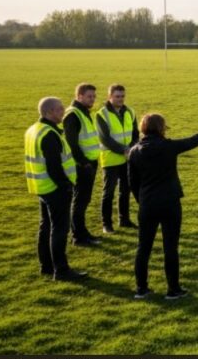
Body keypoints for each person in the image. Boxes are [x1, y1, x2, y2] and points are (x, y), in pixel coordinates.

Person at [128, 114, 198, 300]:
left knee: (143, 247)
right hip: (170, 202)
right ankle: (173, 290)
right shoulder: (169, 147)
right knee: (170, 247)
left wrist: (141, 200)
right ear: (161, 128)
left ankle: (141, 289)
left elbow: (132, 182)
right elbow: (193, 141)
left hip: (147, 203)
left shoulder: (134, 151)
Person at [25, 97, 87, 281]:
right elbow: (54, 167)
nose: (63, 111)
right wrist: (66, 186)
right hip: (54, 189)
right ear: (49, 112)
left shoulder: (34, 129)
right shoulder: (49, 135)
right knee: (59, 229)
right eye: (60, 109)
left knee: (46, 226)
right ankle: (61, 270)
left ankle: (46, 266)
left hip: (41, 187)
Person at [95, 84, 139, 233]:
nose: (120, 99)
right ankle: (106, 224)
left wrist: (131, 148)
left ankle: (124, 220)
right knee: (108, 192)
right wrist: (124, 150)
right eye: (117, 96)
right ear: (110, 97)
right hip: (111, 159)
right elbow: (105, 138)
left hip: (127, 159)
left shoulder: (130, 112)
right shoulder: (101, 114)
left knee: (125, 191)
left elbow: (135, 134)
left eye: (122, 96)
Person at [63, 83, 101, 246]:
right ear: (79, 96)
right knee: (80, 200)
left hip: (90, 163)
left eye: (94, 96)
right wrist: (84, 163)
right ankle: (78, 236)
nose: (92, 99)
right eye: (89, 96)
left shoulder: (84, 112)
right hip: (81, 165)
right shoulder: (73, 115)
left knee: (84, 200)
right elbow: (72, 143)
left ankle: (82, 232)